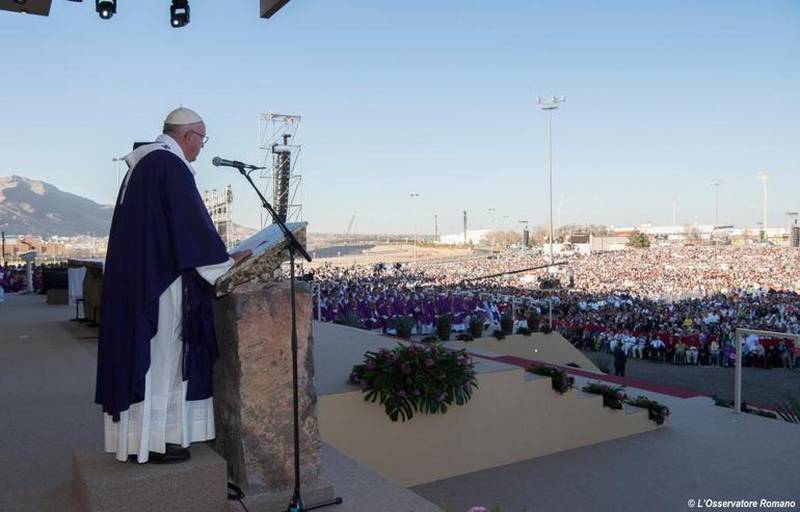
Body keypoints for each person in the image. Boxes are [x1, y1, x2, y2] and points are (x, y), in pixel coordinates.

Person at [95, 107, 250, 464]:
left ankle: (142, 439)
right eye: (201, 139)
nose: (201, 148)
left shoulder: (144, 165)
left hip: (139, 280)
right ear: (187, 136)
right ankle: (154, 441)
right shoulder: (170, 166)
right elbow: (191, 227)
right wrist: (225, 262)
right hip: (159, 286)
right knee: (161, 359)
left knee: (151, 358)